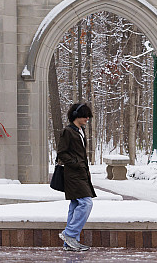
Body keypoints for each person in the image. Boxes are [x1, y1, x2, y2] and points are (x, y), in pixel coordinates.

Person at [57, 103, 96, 252]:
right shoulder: (68, 131)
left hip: (81, 174)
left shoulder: (80, 130)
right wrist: (76, 164)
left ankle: (70, 243)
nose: (87, 118)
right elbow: (62, 152)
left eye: (88, 116)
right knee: (86, 203)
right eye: (84, 115)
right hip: (73, 174)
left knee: (75, 205)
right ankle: (70, 234)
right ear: (75, 115)